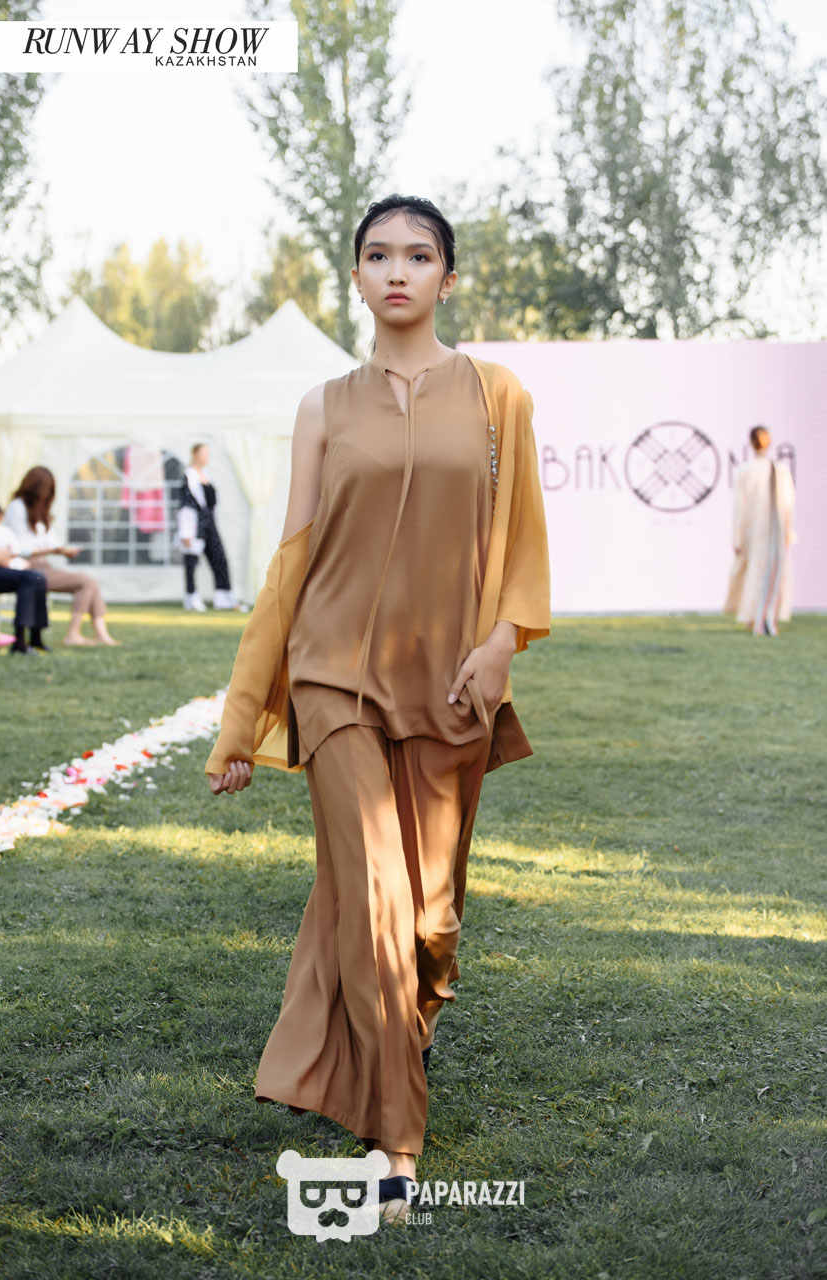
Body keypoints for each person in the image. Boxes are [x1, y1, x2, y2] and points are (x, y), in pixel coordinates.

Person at [203, 194, 550, 1224]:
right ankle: (396, 1141)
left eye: (419, 254)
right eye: (378, 254)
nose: (398, 270)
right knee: (373, 896)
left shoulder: (496, 395)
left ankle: (400, 1027)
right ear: (355, 276)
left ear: (448, 276)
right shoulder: (323, 407)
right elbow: (292, 562)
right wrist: (242, 719)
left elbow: (523, 535)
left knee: (430, 921)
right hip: (334, 677)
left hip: (449, 681)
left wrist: (500, 643)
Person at [3, 466, 119, 647]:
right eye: (45, 490)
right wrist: (52, 550)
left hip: (43, 565)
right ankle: (74, 635)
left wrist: (64, 550)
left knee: (91, 582)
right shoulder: (17, 507)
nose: (46, 496)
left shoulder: (40, 512)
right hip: (26, 567)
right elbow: (18, 548)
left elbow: (51, 542)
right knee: (87, 581)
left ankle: (101, 634)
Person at [724, 425, 797, 636]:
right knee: (764, 571)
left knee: (762, 572)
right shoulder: (756, 471)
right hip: (765, 530)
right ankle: (762, 617)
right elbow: (787, 504)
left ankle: (761, 616)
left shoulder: (772, 470)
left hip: (765, 530)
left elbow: (786, 502)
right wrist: (788, 531)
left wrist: (738, 537)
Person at [0, 460, 50, 654]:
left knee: (37, 578)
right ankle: (20, 641)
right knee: (34, 578)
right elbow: (15, 551)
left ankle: (33, 637)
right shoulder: (1, 530)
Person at [177, 444, 239, 611]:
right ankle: (191, 598)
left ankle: (224, 597)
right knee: (191, 561)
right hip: (195, 525)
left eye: (207, 453)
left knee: (220, 559)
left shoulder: (207, 475)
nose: (206, 457)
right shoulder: (188, 476)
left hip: (210, 523)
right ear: (194, 454)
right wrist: (186, 532)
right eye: (203, 453)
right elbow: (185, 504)